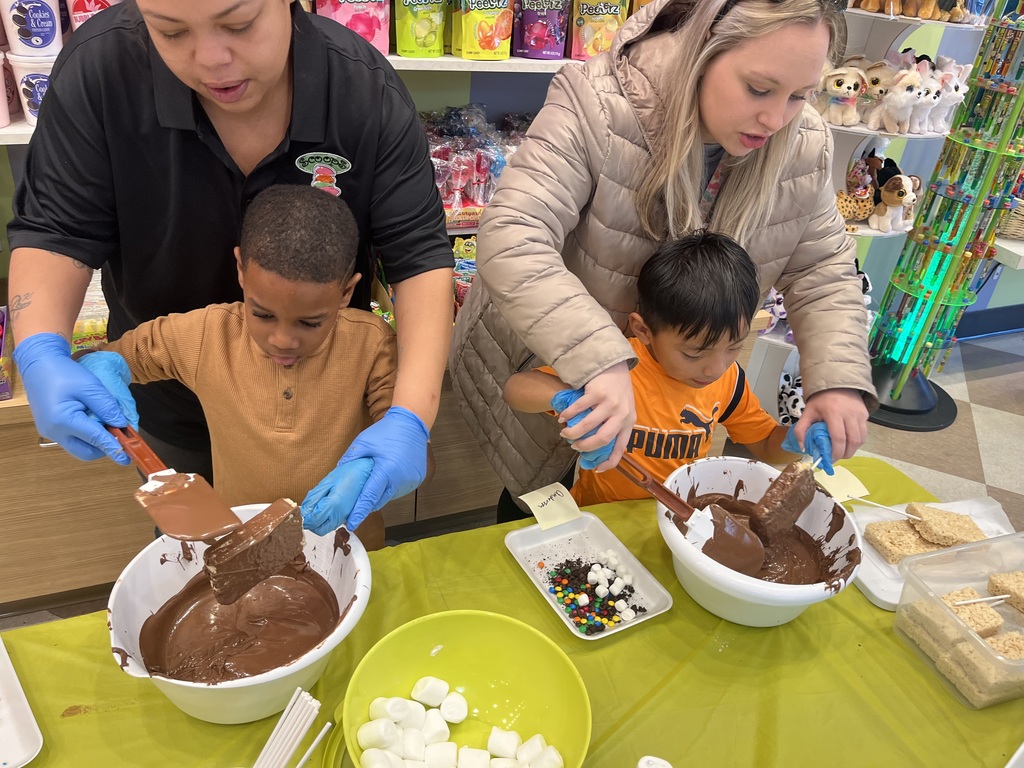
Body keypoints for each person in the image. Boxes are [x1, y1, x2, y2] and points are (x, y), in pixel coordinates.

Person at [8, 0, 453, 527]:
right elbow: (55, 227)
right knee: (192, 551)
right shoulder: (101, 71)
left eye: (239, 24)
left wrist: (408, 420)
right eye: (171, 32)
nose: (212, 60)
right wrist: (39, 350)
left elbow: (418, 253)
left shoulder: (363, 90)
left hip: (325, 407)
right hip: (166, 400)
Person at [450, 0, 875, 516]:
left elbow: (824, 272)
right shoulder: (598, 101)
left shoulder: (803, 140)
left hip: (670, 416)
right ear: (703, 51)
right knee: (541, 509)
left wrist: (837, 381)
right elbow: (515, 232)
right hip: (561, 370)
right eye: (759, 89)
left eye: (799, 96)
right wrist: (597, 359)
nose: (775, 118)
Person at [76, 185, 402, 548]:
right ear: (241, 272)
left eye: (310, 323)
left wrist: (378, 469)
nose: (282, 339)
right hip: (240, 545)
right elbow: (115, 357)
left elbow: (412, 446)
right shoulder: (205, 336)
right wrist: (97, 367)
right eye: (262, 314)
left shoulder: (372, 343)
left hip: (350, 544)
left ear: (346, 292)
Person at [503, 231, 832, 508]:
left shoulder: (729, 382)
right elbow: (516, 389)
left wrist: (796, 438)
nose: (715, 368)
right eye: (693, 353)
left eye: (734, 347)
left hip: (676, 516)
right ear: (644, 331)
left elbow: (764, 444)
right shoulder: (616, 369)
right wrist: (567, 398)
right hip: (600, 516)